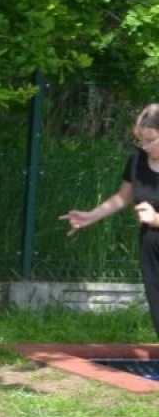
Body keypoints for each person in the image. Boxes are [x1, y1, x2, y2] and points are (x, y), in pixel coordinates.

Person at [61, 102, 159, 337]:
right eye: (141, 141)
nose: (145, 147)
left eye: (151, 140)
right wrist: (90, 216)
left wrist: (157, 219)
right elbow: (123, 197)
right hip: (151, 247)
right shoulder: (137, 161)